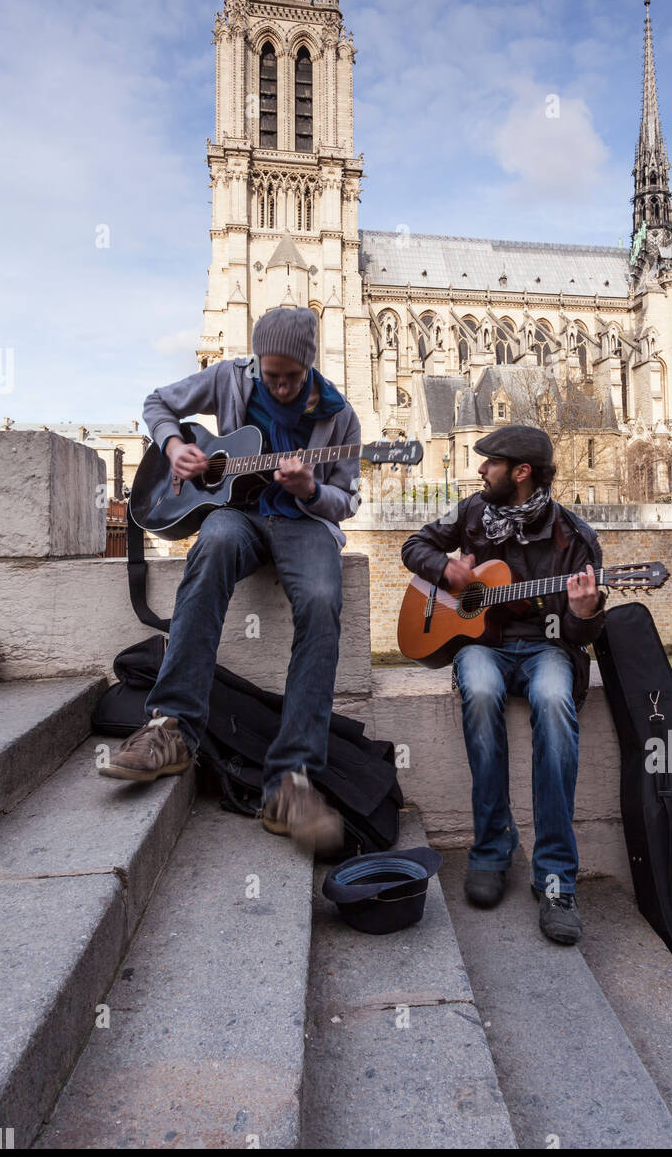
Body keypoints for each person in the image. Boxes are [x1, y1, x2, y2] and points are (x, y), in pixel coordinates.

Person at [99, 306, 361, 854]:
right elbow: (158, 403)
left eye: (292, 377)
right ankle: (170, 727)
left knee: (319, 599)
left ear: (309, 366)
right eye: (273, 376)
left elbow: (347, 501)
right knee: (213, 542)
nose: (282, 387)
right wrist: (175, 446)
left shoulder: (339, 417)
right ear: (258, 363)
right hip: (236, 518)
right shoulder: (229, 377)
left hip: (302, 524)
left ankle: (291, 781)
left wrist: (310, 488)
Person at [400, 426, 606, 944]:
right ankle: (491, 851)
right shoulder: (471, 513)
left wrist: (584, 613)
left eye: (489, 463)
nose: (480, 470)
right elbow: (414, 545)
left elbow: (584, 635)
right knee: (482, 689)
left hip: (548, 648)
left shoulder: (574, 537)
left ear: (520, 473)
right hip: (480, 646)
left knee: (556, 701)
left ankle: (556, 877)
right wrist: (448, 571)